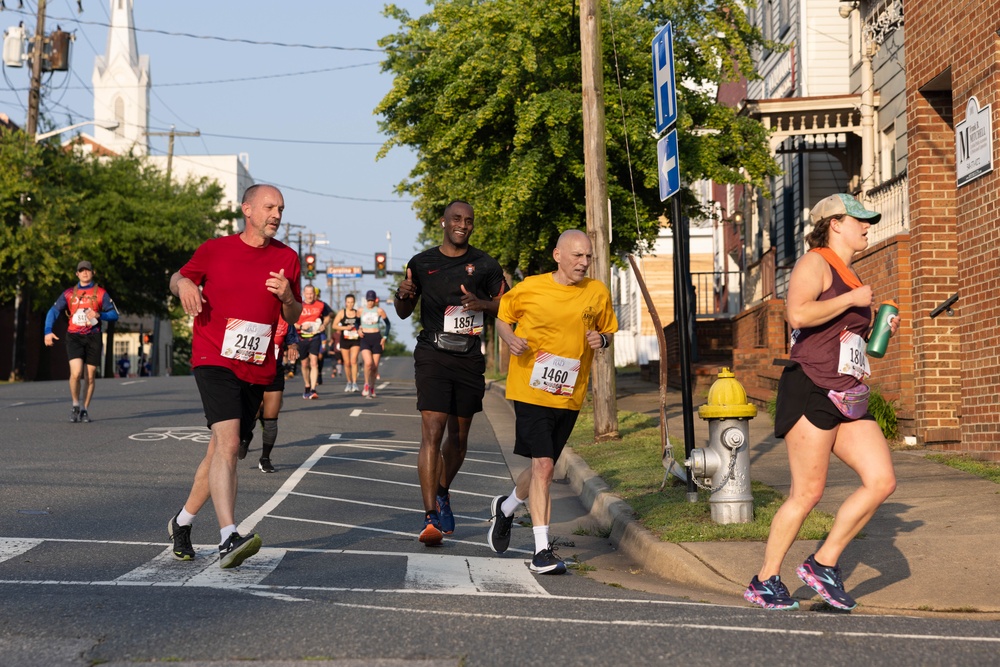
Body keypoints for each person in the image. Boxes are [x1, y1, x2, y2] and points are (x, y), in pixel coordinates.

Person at [743, 193, 899, 611]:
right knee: (807, 493)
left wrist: (875, 335)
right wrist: (851, 300)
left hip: (847, 393)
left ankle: (823, 563)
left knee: (881, 480)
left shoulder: (850, 273)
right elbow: (797, 315)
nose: (868, 225)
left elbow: (839, 337)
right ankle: (764, 580)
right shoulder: (817, 262)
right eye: (860, 219)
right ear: (835, 223)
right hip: (811, 387)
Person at [166, 183, 302, 569]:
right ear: (247, 209)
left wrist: (289, 297)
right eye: (270, 207)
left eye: (281, 208)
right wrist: (186, 284)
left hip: (257, 365)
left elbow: (292, 316)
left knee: (219, 453)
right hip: (214, 356)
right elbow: (177, 277)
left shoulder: (288, 258)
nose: (277, 214)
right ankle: (229, 537)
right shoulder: (215, 249)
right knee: (226, 444)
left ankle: (182, 521)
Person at [487, 229, 617, 574]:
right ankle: (542, 551)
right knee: (544, 466)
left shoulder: (597, 292)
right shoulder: (530, 287)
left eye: (588, 256)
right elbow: (502, 316)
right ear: (558, 255)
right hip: (531, 388)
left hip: (569, 393)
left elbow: (608, 331)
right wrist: (510, 338)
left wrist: (600, 339)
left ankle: (507, 506)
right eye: (577, 256)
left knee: (540, 467)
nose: (584, 262)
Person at [394, 200, 508, 545]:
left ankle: (442, 491)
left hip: (469, 357)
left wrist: (483, 304)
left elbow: (511, 304)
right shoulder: (422, 262)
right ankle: (430, 516)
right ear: (443, 222)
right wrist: (402, 295)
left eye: (469, 221)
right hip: (432, 353)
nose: (463, 224)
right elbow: (402, 311)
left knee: (457, 440)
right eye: (457, 219)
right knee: (432, 430)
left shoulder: (486, 265)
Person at [43, 260, 120, 423]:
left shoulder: (101, 293)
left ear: (93, 273)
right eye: (81, 270)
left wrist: (100, 315)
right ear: (77, 274)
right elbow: (53, 311)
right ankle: (75, 405)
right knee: (76, 373)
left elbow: (114, 315)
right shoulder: (69, 293)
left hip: (94, 336)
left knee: (90, 376)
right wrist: (48, 331)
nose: (85, 273)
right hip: (74, 337)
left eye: (88, 270)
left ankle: (84, 409)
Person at [241, 318, 299, 473]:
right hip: (254, 369)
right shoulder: (256, 312)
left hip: (275, 371)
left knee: (271, 417)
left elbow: (292, 339)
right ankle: (246, 436)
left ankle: (265, 459)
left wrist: (293, 347)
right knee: (252, 411)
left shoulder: (285, 319)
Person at [294, 284, 332, 399]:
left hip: (315, 337)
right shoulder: (298, 305)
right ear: (304, 294)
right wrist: (300, 327)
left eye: (312, 293)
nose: (310, 296)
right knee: (304, 363)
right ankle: (307, 385)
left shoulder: (321, 305)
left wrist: (324, 325)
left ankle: (313, 389)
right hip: (301, 337)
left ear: (314, 294)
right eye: (308, 293)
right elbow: (291, 322)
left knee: (314, 362)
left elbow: (328, 316)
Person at [357, 290, 390, 399]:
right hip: (365, 338)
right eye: (369, 300)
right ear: (366, 300)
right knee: (368, 363)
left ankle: (372, 387)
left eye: (372, 300)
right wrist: (358, 329)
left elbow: (388, 324)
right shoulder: (361, 310)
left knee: (374, 367)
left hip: (376, 338)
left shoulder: (379, 310)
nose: (370, 302)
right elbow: (356, 322)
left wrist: (384, 337)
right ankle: (366, 384)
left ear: (375, 300)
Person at [332, 293, 362, 392]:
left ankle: (355, 383)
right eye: (348, 302)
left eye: (352, 302)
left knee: (354, 361)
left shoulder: (358, 313)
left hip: (355, 339)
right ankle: (349, 382)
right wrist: (345, 327)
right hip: (344, 339)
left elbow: (362, 324)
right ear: (345, 303)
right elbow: (334, 326)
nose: (350, 304)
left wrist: (359, 329)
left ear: (354, 303)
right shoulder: (342, 313)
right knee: (347, 363)